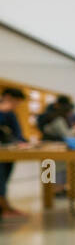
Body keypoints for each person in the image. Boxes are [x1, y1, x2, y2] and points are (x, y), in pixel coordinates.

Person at [0, 86, 31, 219]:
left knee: (4, 178)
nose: (16, 105)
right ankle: (4, 208)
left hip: (9, 151)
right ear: (7, 98)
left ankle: (4, 207)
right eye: (15, 102)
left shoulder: (11, 113)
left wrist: (22, 141)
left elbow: (18, 132)